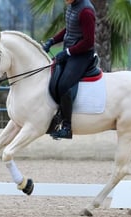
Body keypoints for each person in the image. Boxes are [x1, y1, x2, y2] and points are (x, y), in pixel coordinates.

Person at [42, 0, 96, 139]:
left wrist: (68, 53)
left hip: (83, 55)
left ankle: (66, 127)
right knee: (53, 75)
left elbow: (88, 41)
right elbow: (70, 29)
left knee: (65, 85)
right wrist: (52, 41)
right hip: (71, 52)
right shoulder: (73, 7)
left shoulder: (86, 11)